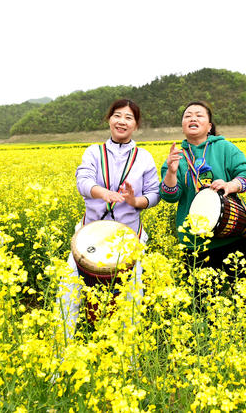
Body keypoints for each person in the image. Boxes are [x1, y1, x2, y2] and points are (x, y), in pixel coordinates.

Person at [58, 99, 160, 336]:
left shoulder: (144, 157)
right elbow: (83, 181)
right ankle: (61, 347)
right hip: (90, 236)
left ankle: (128, 352)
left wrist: (135, 201)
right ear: (109, 119)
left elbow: (154, 194)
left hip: (128, 238)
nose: (122, 121)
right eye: (117, 115)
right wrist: (103, 193)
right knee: (68, 292)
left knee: (132, 297)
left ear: (136, 125)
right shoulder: (94, 152)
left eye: (129, 117)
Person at [160, 101, 246, 274]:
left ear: (209, 126)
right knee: (201, 292)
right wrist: (171, 172)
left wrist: (230, 185)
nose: (193, 118)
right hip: (195, 243)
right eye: (188, 116)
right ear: (182, 126)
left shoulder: (225, 148)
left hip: (233, 234)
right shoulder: (176, 157)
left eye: (199, 115)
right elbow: (170, 196)